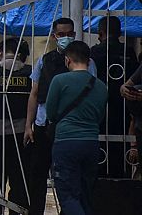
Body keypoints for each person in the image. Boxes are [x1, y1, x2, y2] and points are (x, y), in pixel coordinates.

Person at [23, 17, 96, 215]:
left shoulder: (87, 63)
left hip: (72, 128)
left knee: (71, 179)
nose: (65, 38)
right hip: (44, 124)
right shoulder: (44, 61)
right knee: (37, 175)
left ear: (74, 34)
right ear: (54, 36)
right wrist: (29, 125)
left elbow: (93, 93)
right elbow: (34, 94)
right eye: (61, 34)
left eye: (69, 34)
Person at [47, 40, 108, 215]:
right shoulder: (101, 86)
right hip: (91, 143)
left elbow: (51, 114)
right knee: (85, 195)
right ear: (89, 61)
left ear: (67, 60)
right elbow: (100, 117)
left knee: (68, 196)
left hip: (66, 142)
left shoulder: (59, 81)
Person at [0, 38, 32, 215]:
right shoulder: (30, 73)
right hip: (22, 134)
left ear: (0, 52)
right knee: (19, 180)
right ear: (23, 55)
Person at [90, 16, 139, 178]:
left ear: (100, 32)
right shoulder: (128, 52)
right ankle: (121, 185)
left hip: (100, 110)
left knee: (100, 154)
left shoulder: (94, 52)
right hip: (124, 110)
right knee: (121, 155)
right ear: (119, 32)